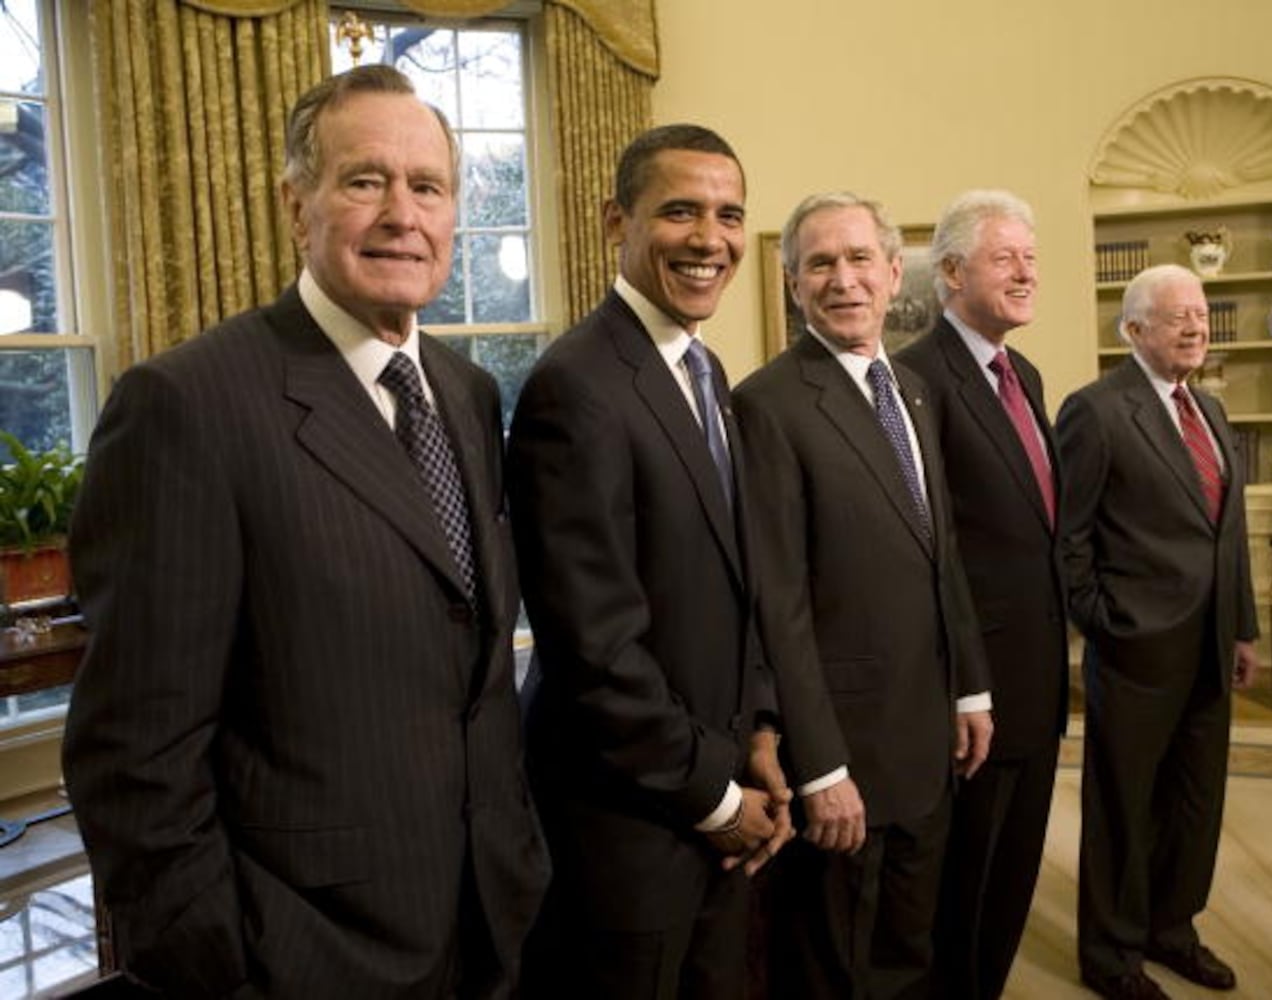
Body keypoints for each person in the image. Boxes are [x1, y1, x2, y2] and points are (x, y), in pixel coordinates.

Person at [61, 65, 548, 998]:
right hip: (303, 952)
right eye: (365, 180)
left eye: (428, 187)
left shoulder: (467, 393)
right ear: (297, 207)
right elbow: (134, 757)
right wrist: (223, 966)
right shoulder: (186, 406)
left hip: (486, 918)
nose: (402, 214)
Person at [506, 124, 791, 1000]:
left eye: (729, 214)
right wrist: (716, 797)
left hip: (716, 784)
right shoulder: (575, 385)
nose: (711, 239)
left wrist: (761, 733)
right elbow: (595, 648)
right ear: (613, 222)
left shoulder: (703, 371)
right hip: (625, 823)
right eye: (679, 211)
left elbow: (735, 587)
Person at [734, 192, 992, 999]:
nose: (841, 280)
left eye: (857, 261)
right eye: (819, 264)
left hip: (926, 742)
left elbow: (938, 551)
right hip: (845, 757)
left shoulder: (910, 389)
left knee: (907, 954)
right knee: (836, 969)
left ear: (891, 272)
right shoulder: (767, 405)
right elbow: (779, 603)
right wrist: (819, 769)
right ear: (792, 283)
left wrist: (969, 686)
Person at [1056, 263, 1260, 1000]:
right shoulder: (1095, 411)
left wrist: (1242, 628)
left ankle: (1172, 930)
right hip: (1137, 649)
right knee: (1123, 807)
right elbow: (1068, 539)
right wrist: (1104, 624)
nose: (1195, 327)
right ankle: (1109, 954)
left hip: (1209, 646)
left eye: (1201, 314)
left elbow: (1226, 533)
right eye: (1177, 316)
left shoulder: (1208, 409)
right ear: (1133, 329)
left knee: (1192, 803)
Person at [893, 189, 1067, 1000]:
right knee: (959, 896)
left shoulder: (1022, 372)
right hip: (974, 693)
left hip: (1039, 680)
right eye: (1006, 259)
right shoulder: (915, 379)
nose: (1026, 272)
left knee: (1010, 884)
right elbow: (931, 550)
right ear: (952, 272)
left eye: (1030, 257)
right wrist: (969, 684)